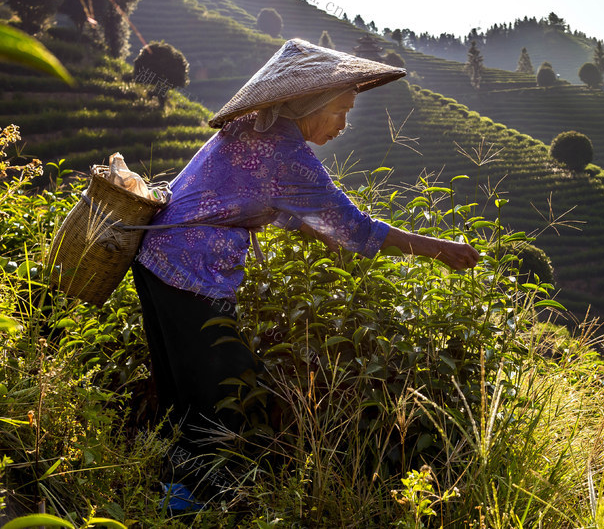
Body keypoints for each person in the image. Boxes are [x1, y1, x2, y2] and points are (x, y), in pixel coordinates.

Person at [130, 38, 480, 510]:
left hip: (157, 254)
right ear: (311, 103)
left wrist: (331, 246)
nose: (343, 125)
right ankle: (195, 500)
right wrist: (439, 250)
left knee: (181, 379)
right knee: (224, 384)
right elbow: (352, 228)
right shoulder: (288, 157)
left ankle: (172, 486)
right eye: (339, 111)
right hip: (192, 269)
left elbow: (296, 213)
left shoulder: (253, 127)